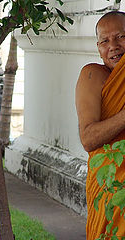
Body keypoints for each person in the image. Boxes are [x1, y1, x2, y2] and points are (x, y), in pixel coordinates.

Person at [76, 11, 125, 239]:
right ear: (98, 48)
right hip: (111, 189)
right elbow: (88, 138)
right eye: (105, 41)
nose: (113, 46)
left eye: (121, 37)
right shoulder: (93, 74)